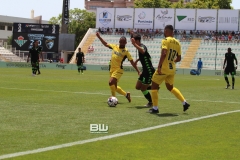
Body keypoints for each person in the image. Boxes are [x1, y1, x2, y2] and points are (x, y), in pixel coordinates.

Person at [149, 25, 190, 113]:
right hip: (172, 69)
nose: (164, 32)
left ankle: (155, 108)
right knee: (170, 87)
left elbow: (164, 53)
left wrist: (159, 66)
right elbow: (178, 58)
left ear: (167, 31)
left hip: (164, 68)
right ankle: (184, 103)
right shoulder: (178, 43)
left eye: (164, 31)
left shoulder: (165, 40)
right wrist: (171, 61)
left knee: (154, 86)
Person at [96, 32, 140, 103]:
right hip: (112, 69)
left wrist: (138, 70)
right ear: (119, 41)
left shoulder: (126, 51)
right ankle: (126, 95)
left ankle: (113, 98)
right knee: (114, 87)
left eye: (123, 42)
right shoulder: (114, 46)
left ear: (125, 43)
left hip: (118, 69)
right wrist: (99, 37)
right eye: (121, 42)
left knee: (111, 82)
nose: (122, 43)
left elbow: (132, 62)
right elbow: (105, 44)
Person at [131, 33, 155, 107]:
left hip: (149, 71)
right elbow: (145, 55)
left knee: (143, 89)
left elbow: (143, 51)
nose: (132, 43)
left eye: (134, 41)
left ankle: (151, 102)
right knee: (138, 87)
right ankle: (153, 87)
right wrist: (137, 60)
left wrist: (135, 44)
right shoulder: (139, 47)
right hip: (144, 71)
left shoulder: (142, 46)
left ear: (138, 41)